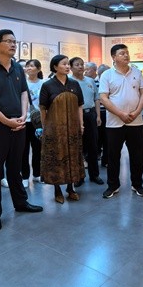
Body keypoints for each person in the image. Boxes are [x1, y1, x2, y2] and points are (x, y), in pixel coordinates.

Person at [0, 29, 43, 232]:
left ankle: (21, 202)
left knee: (15, 167)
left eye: (14, 41)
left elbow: (23, 93)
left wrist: (23, 114)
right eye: (8, 41)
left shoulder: (17, 68)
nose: (13, 44)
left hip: (18, 124)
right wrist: (5, 120)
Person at [99, 44, 143, 199]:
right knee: (113, 156)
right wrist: (120, 114)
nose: (126, 55)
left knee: (137, 155)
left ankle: (137, 184)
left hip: (136, 121)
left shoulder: (137, 72)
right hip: (114, 123)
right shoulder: (107, 75)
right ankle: (113, 185)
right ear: (114, 57)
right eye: (122, 53)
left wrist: (137, 112)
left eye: (127, 53)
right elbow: (103, 98)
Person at [40, 55, 85, 203]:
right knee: (56, 158)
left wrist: (81, 124)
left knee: (72, 156)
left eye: (68, 64)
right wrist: (45, 127)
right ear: (55, 67)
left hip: (73, 128)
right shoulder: (47, 85)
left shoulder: (74, 84)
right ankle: (57, 190)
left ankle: (71, 188)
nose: (67, 66)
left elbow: (79, 105)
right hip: (54, 129)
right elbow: (43, 109)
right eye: (64, 64)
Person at [70, 56, 104, 186]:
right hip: (75, 116)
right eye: (77, 64)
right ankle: (79, 177)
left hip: (90, 115)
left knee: (93, 146)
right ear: (71, 67)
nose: (80, 67)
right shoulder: (69, 82)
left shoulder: (90, 81)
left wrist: (98, 116)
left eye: (81, 64)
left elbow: (97, 99)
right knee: (78, 146)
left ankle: (94, 175)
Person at [21, 59, 45, 187]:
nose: (29, 68)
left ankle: (37, 174)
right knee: (23, 150)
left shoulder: (44, 83)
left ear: (38, 69)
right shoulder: (22, 83)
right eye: (27, 66)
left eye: (32, 66)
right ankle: (25, 176)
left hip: (39, 121)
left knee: (38, 149)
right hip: (24, 120)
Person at [96, 63, 110, 167]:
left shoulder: (110, 83)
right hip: (98, 113)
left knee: (107, 137)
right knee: (97, 137)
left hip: (109, 113)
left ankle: (106, 159)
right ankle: (97, 156)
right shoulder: (94, 83)